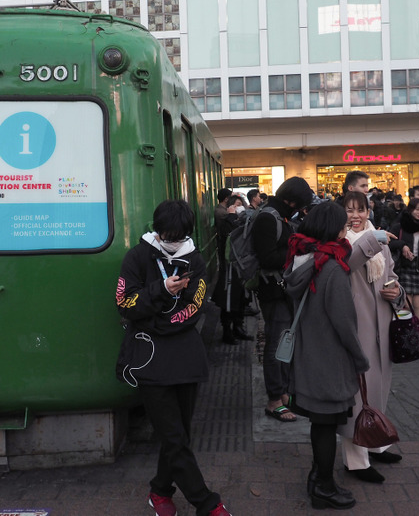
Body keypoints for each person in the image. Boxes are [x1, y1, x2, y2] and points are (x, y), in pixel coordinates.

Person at [115, 199, 232, 516]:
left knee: (179, 435)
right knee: (173, 436)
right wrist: (162, 290)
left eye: (179, 236)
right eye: (168, 236)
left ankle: (160, 491)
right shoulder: (138, 256)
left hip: (185, 356)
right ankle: (207, 503)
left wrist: (158, 321)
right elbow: (125, 304)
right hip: (150, 358)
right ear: (157, 230)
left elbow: (197, 303)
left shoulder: (194, 257)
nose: (173, 242)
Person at [283, 201, 368, 510]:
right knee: (326, 425)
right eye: (342, 224)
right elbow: (345, 323)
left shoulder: (302, 258)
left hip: (307, 356)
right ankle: (324, 487)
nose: (346, 228)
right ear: (331, 229)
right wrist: (360, 358)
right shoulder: (331, 266)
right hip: (330, 360)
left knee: (320, 424)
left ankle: (318, 478)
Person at [339, 191, 407, 484]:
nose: (356, 216)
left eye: (361, 210)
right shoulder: (340, 243)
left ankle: (377, 443)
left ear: (369, 211)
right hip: (355, 327)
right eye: (350, 210)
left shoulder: (379, 242)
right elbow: (349, 264)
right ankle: (355, 461)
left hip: (382, 324)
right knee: (357, 394)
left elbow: (391, 277)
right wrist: (373, 239)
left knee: (378, 388)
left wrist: (398, 293)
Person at [251, 176, 315, 423]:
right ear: (290, 200)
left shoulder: (281, 216)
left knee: (285, 340)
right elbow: (266, 257)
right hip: (272, 290)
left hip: (282, 289)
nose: (299, 210)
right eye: (298, 205)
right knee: (276, 343)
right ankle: (274, 399)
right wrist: (298, 250)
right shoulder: (268, 218)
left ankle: (284, 392)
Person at [212, 194, 253, 345]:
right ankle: (227, 331)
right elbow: (224, 234)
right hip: (230, 269)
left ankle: (238, 327)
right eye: (235, 205)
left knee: (242, 298)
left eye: (240, 205)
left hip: (243, 267)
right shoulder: (226, 221)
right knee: (229, 300)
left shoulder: (245, 221)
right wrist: (230, 216)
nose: (238, 208)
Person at [389, 199, 419, 321]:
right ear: (410, 210)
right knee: (406, 302)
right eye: (417, 209)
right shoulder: (400, 226)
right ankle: (407, 327)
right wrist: (402, 245)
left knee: (418, 304)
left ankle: (417, 330)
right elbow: (389, 243)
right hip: (404, 267)